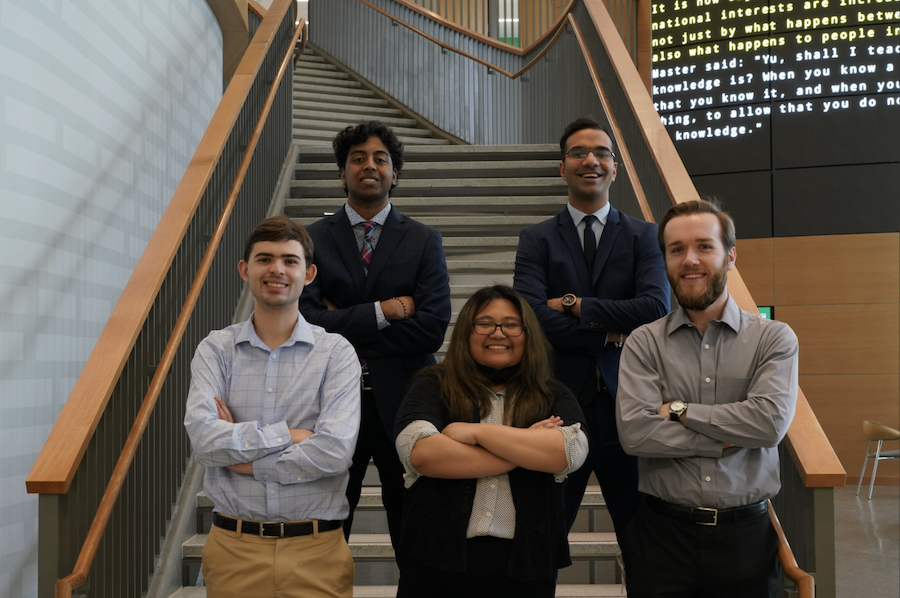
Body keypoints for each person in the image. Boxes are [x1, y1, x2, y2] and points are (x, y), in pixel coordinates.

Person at [616, 199, 799, 598]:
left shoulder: (774, 339)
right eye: (676, 249)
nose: (689, 260)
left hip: (747, 540)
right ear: (665, 259)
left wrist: (678, 411)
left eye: (704, 246)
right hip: (661, 539)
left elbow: (768, 425)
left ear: (730, 255)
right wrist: (730, 435)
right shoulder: (643, 343)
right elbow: (635, 435)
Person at [184, 216, 361, 598]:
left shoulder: (336, 353)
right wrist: (291, 435)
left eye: (289, 260)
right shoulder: (216, 350)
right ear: (245, 270)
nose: (276, 269)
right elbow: (204, 441)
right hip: (234, 549)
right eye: (264, 259)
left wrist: (238, 456)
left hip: (317, 551)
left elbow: (334, 452)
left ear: (308, 274)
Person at [513, 116, 670, 541]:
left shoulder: (645, 236)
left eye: (602, 152)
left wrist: (572, 304)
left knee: (643, 540)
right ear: (562, 168)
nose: (591, 160)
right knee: (543, 535)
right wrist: (607, 333)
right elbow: (528, 314)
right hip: (556, 408)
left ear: (614, 167)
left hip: (632, 407)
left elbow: (655, 307)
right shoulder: (536, 239)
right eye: (578, 152)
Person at [299, 121, 451, 549]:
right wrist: (386, 310)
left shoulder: (424, 240)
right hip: (329, 401)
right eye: (358, 158)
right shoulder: (310, 239)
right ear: (342, 173)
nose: (370, 166)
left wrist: (342, 320)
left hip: (408, 398)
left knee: (414, 532)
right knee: (326, 533)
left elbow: (432, 329)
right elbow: (306, 323)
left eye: (380, 159)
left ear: (395, 174)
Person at [394, 285, 588, 597]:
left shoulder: (552, 393)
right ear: (467, 332)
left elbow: (569, 453)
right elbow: (422, 452)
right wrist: (527, 447)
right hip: (435, 563)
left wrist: (476, 433)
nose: (498, 333)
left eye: (511, 324)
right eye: (484, 323)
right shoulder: (432, 383)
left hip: (524, 566)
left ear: (529, 334)